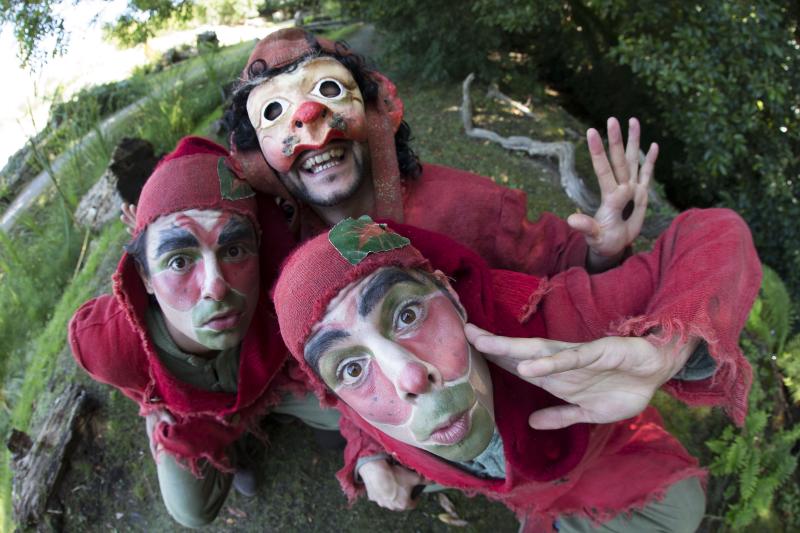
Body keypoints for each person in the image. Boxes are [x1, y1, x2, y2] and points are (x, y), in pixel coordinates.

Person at [272, 215, 761, 531]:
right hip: (494, 478)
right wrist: (366, 462)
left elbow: (717, 233)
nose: (409, 378)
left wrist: (668, 352)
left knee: (680, 508)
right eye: (352, 367)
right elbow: (355, 420)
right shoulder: (363, 410)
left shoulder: (556, 323)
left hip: (589, 461)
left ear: (453, 296)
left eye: (406, 315)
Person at [68, 137, 302, 528]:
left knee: (341, 422)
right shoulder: (108, 345)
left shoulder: (281, 287)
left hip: (270, 381)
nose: (216, 286)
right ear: (143, 275)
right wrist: (152, 401)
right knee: (192, 510)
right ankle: (225, 445)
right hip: (190, 413)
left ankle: (257, 419)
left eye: (233, 251)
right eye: (179, 260)